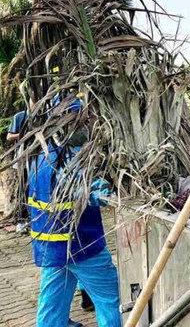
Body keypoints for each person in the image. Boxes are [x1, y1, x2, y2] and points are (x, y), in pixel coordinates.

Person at [28, 95, 120, 327]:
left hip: (49, 248)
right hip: (81, 247)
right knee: (111, 300)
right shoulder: (74, 160)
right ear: (69, 123)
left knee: (52, 308)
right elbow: (99, 196)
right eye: (83, 120)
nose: (88, 124)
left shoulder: (41, 155)